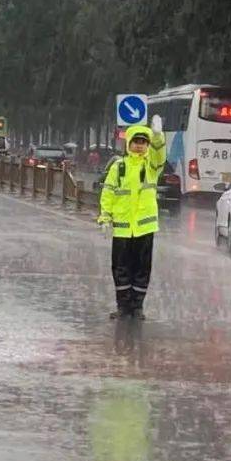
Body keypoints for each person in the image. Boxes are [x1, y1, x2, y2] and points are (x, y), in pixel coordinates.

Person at [97, 117, 166, 320]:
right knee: (120, 268)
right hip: (122, 228)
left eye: (143, 142)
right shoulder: (119, 167)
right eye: (136, 142)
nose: (139, 146)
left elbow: (159, 155)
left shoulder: (151, 166)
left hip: (144, 229)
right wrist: (105, 218)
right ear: (129, 144)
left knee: (142, 268)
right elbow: (108, 193)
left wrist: (158, 137)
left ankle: (137, 307)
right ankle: (123, 306)